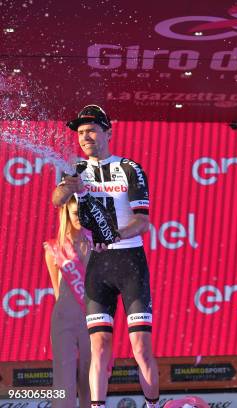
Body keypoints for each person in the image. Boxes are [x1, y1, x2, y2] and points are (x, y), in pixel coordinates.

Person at [51, 105, 158, 408]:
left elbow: (143, 222)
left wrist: (116, 234)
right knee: (99, 345)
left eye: (91, 130)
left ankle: (153, 404)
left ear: (107, 132)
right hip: (99, 266)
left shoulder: (129, 168)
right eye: (80, 133)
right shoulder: (75, 169)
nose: (85, 137)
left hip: (130, 262)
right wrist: (67, 186)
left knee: (141, 347)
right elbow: (57, 199)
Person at [44, 196, 91, 408]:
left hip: (92, 317)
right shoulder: (53, 249)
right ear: (66, 214)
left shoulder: (97, 244)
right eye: (75, 214)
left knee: (90, 377)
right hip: (64, 319)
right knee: (64, 379)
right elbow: (57, 289)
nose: (80, 218)